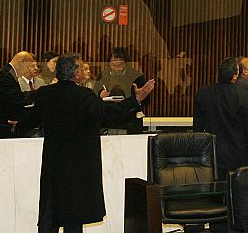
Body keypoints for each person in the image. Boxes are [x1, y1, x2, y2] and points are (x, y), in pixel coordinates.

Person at [15, 54, 154, 233]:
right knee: (74, 218)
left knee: (49, 217)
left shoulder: (45, 93)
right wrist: (135, 100)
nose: (82, 70)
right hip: (78, 168)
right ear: (76, 74)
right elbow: (109, 113)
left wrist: (16, 126)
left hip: (53, 166)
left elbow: (30, 120)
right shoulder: (83, 95)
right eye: (81, 67)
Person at [193, 57, 248, 179]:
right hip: (239, 153)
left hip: (212, 154)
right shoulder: (243, 94)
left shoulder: (204, 93)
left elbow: (197, 127)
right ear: (235, 76)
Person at [0, 51, 36, 138]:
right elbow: (16, 99)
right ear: (20, 62)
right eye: (28, 67)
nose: (28, 70)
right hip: (0, 127)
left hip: (4, 125)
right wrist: (40, 93)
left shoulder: (8, 74)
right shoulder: (4, 75)